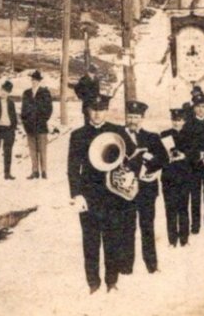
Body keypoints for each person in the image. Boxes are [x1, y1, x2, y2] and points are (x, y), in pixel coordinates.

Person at [67, 94, 135, 293]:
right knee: (90, 242)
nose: (97, 114)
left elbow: (133, 155)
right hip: (89, 197)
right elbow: (72, 169)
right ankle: (93, 284)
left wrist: (128, 173)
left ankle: (111, 282)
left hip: (113, 196)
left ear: (106, 110)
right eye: (94, 109)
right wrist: (76, 195)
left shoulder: (118, 131)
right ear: (88, 110)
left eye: (101, 109)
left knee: (112, 240)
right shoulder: (78, 135)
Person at [121, 101, 167, 274]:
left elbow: (164, 158)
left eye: (136, 117)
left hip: (147, 189)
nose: (133, 120)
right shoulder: (118, 136)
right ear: (126, 117)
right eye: (130, 116)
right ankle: (126, 268)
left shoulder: (152, 137)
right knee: (127, 227)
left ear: (142, 118)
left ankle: (152, 265)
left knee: (147, 227)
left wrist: (149, 166)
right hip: (125, 190)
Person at [160, 109, 194, 247]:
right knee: (170, 208)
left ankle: (184, 239)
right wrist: (168, 157)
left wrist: (184, 155)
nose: (176, 123)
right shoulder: (164, 135)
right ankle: (172, 240)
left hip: (185, 176)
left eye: (179, 120)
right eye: (174, 120)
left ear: (184, 121)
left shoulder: (190, 135)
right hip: (169, 176)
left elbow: (195, 154)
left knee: (183, 208)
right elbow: (159, 154)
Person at [183, 94, 204, 234]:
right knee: (195, 196)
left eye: (203, 107)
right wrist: (197, 155)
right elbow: (185, 146)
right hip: (194, 164)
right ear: (194, 108)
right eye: (198, 107)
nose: (201, 110)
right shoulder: (188, 125)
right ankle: (195, 226)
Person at [21, 70, 53, 180]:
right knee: (32, 150)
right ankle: (35, 171)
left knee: (42, 149)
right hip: (29, 126)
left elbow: (49, 109)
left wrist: (43, 120)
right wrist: (25, 122)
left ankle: (44, 171)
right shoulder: (26, 93)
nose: (34, 82)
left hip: (41, 126)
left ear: (39, 81)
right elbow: (23, 110)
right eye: (33, 80)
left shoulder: (45, 93)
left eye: (36, 80)